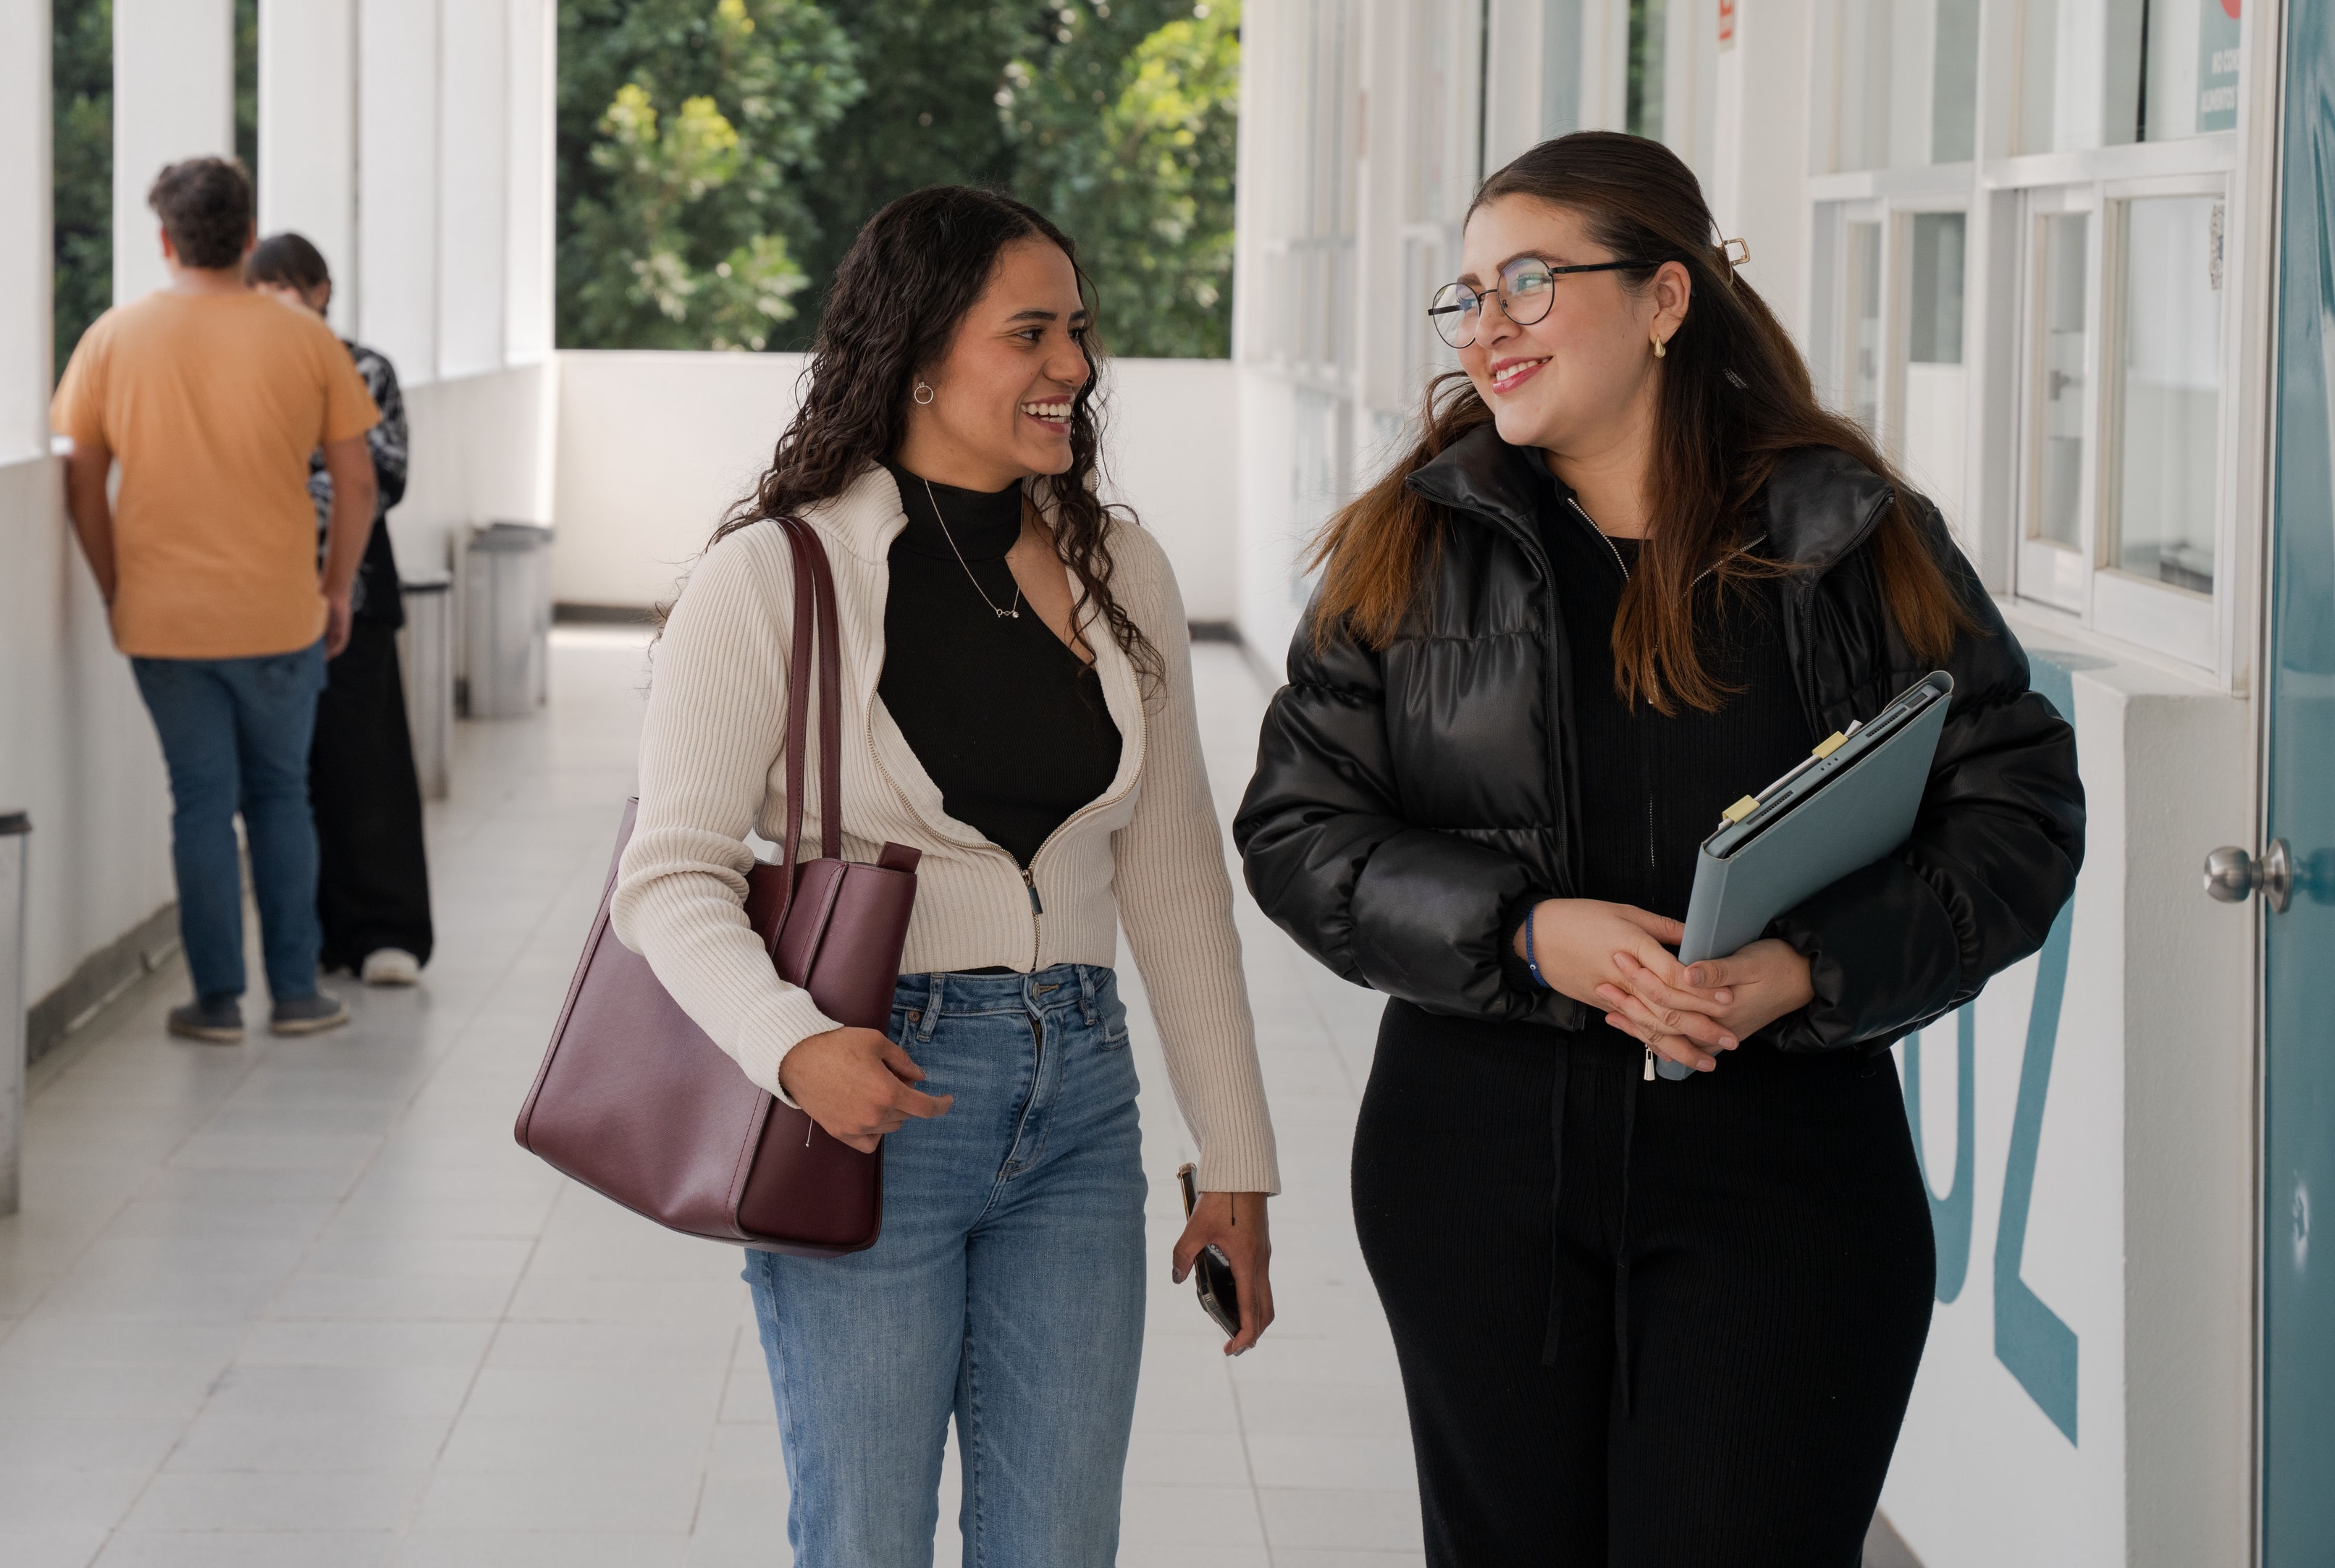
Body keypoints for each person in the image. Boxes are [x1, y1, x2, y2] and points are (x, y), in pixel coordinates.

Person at [1233, 131, 2086, 1567]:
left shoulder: (1846, 532)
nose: (1485, 326)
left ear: (1665, 298)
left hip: (1785, 1178)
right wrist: (1523, 929)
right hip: (1479, 1168)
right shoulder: (1411, 544)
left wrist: (1805, 967)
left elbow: (2019, 811)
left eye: (1528, 280)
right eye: (1466, 295)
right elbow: (1297, 830)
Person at [612, 186, 1281, 1567]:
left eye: (1079, 331)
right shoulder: (774, 577)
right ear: (918, 352)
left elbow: (1172, 878)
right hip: (870, 1098)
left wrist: (1235, 1155)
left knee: (1060, 1545)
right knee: (865, 1540)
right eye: (1030, 333)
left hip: (1080, 1101)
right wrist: (794, 1048)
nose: (1074, 367)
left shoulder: (1120, 568)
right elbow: (669, 875)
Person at [51, 157, 384, 1042]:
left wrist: (115, 585)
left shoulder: (113, 337)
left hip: (164, 617)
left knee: (199, 802)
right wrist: (336, 587)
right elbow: (357, 482)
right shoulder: (305, 339)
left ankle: (217, 1002)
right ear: (248, 237)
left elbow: (82, 481)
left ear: (164, 240)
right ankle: (297, 994)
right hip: (281, 613)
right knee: (280, 795)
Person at [245, 232, 435, 987]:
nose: (275, 303)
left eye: (287, 287)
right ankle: (320, 935)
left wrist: (289, 490)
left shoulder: (366, 368)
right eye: (262, 291)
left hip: (356, 593)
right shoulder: (247, 370)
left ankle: (389, 932)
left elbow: (383, 475)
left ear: (321, 291)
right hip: (265, 600)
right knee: (292, 776)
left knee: (368, 766)